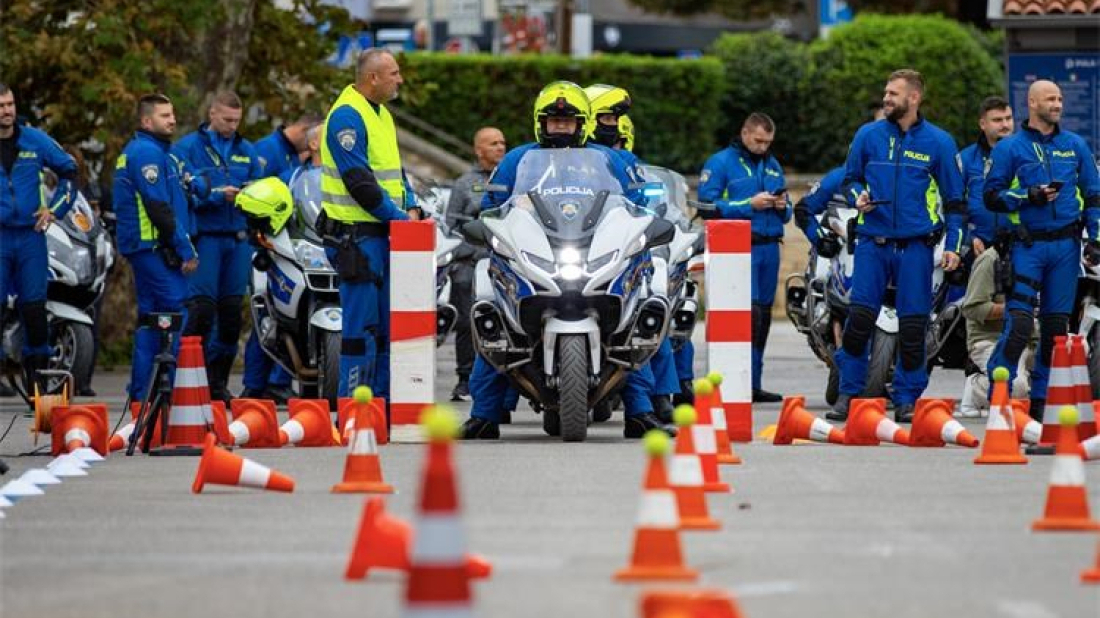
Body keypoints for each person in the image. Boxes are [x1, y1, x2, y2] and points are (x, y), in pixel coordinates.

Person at [459, 80, 669, 440]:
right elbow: (491, 207)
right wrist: (499, 221)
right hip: (538, 252)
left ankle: (641, 412)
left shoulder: (609, 159)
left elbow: (637, 204)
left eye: (568, 122)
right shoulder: (517, 160)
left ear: (581, 123)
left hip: (591, 251)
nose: (560, 127)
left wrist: (643, 227)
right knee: (494, 314)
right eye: (553, 121)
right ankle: (484, 414)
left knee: (635, 317)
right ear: (540, 122)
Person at [828, 69, 966, 423]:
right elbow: (850, 179)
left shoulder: (939, 142)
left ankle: (906, 398)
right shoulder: (868, 135)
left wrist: (954, 245)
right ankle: (849, 393)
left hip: (917, 247)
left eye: (893, 94)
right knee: (859, 319)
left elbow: (955, 202)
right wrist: (858, 197)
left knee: (913, 326)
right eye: (886, 92)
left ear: (914, 98)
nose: (886, 98)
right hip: (873, 243)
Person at [983, 79, 1100, 420]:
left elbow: (1093, 195)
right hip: (1026, 246)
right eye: (1051, 99)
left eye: (1060, 98)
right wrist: (1026, 196)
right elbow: (991, 196)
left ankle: (1039, 401)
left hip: (1066, 247)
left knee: (1055, 330)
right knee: (1019, 325)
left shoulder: (1075, 145)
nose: (1058, 104)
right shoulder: (1010, 148)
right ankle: (998, 392)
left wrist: (1095, 238)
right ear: (1032, 103)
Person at [318, 48, 413, 404]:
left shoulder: (381, 114)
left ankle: (383, 408)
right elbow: (359, 182)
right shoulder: (347, 116)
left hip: (383, 235)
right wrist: (401, 218)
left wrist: (413, 202)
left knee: (387, 329)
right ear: (373, 78)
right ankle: (353, 410)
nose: (399, 80)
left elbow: (393, 171)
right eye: (394, 73)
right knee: (360, 331)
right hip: (356, 237)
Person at [584, 83, 679, 421]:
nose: (614, 124)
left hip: (617, 254)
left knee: (647, 312)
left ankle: (657, 397)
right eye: (608, 117)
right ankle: (488, 410)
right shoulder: (548, 159)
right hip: (569, 254)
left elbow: (647, 207)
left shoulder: (624, 160)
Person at [172, 91, 261, 403]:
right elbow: (180, 193)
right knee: (201, 311)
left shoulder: (247, 151)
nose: (232, 126)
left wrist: (251, 197)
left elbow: (260, 190)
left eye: (237, 120)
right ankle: (187, 380)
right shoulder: (187, 149)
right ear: (211, 114)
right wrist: (213, 196)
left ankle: (218, 383)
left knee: (232, 315)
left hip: (237, 241)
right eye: (226, 120)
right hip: (206, 238)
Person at [698, 113, 792, 403]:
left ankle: (753, 383)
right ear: (745, 133)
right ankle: (734, 384)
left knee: (763, 318)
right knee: (745, 317)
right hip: (738, 248)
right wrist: (747, 205)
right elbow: (707, 206)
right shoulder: (721, 162)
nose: (763, 147)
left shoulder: (772, 164)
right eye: (759, 140)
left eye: (768, 142)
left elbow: (788, 212)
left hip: (769, 246)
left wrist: (780, 205)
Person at [112, 94, 199, 402]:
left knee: (152, 318)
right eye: (164, 116)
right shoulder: (146, 153)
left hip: (149, 248)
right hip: (151, 248)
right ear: (147, 121)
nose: (172, 120)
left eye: (172, 114)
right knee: (174, 311)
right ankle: (162, 393)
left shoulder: (156, 151)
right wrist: (185, 249)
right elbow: (158, 207)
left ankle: (143, 395)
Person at [0, 83, 79, 397]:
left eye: (9, 104)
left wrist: (55, 210)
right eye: (0, 106)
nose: (6, 111)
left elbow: (69, 172)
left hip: (30, 237)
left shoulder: (34, 140)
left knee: (34, 309)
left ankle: (39, 386)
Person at [241, 114, 322, 402]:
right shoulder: (291, 176)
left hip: (325, 255)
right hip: (287, 254)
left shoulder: (339, 179)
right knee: (270, 313)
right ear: (313, 142)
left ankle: (285, 382)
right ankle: (256, 385)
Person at [444, 126, 506, 402]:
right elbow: (452, 225)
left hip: (503, 261)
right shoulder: (463, 183)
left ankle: (507, 384)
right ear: (478, 150)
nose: (500, 147)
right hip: (470, 262)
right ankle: (465, 379)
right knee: (469, 323)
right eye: (493, 143)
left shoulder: (512, 181)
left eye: (502, 143)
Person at [959, 242, 1032, 416]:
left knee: (1077, 350)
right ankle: (975, 387)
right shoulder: (991, 259)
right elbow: (971, 308)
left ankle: (1032, 388)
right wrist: (1014, 309)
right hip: (992, 338)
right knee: (1017, 387)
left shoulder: (1044, 256)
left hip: (1032, 339)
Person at [960, 97, 1015, 258]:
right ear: (982, 124)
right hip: (977, 247)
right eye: (997, 120)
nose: (1005, 125)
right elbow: (953, 205)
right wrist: (968, 238)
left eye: (1008, 118)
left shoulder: (1027, 156)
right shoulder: (965, 159)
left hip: (1019, 247)